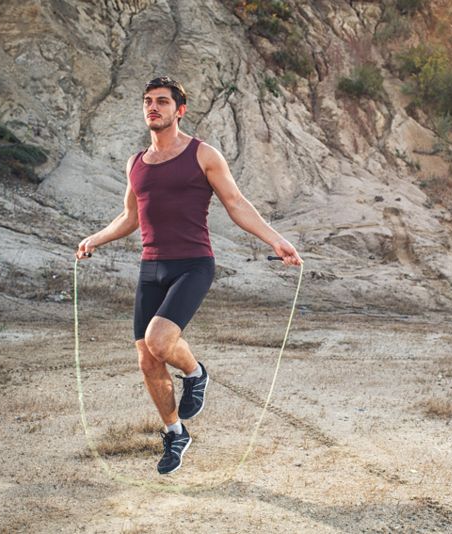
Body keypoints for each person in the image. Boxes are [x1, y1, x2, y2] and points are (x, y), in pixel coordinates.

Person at [76, 76, 302, 475]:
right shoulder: (136, 163)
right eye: (148, 101)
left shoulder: (203, 154)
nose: (153, 107)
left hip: (193, 263)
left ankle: (196, 373)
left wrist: (275, 239)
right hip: (151, 267)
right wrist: (95, 239)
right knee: (147, 361)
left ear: (179, 111)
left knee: (158, 340)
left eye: (162, 102)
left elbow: (235, 203)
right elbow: (130, 217)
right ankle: (175, 432)